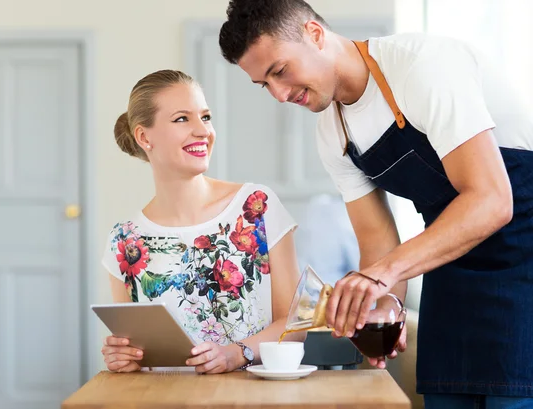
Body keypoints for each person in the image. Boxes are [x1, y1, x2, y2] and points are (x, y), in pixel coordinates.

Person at [218, 0, 533, 407]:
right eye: (265, 84)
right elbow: (377, 240)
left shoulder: (423, 68)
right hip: (449, 266)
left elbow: (492, 200)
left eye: (280, 71)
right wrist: (386, 305)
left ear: (315, 34)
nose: (279, 94)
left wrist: (380, 277)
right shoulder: (335, 134)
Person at [100, 69, 304, 374]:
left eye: (205, 117)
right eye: (182, 119)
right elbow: (138, 351)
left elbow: (294, 325)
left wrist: (236, 354)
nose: (202, 131)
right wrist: (125, 358)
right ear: (144, 136)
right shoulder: (124, 240)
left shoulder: (256, 206)